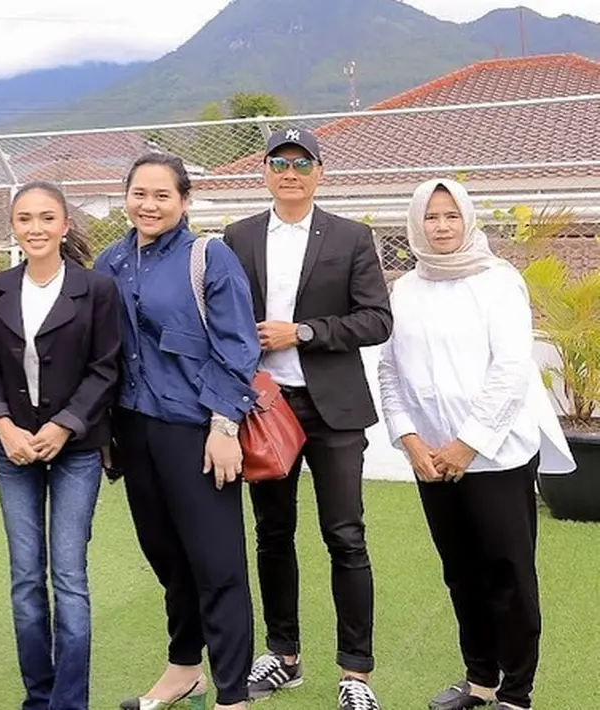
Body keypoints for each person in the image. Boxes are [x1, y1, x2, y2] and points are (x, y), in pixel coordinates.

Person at [377, 178, 575, 710]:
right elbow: (390, 371)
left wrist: (467, 444)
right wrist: (410, 440)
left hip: (497, 454)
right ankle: (480, 680)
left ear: (467, 220)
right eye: (431, 218)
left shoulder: (498, 280)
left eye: (451, 216)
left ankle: (516, 692)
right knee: (460, 572)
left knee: (507, 572)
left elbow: (511, 369)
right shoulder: (404, 290)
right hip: (430, 459)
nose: (441, 227)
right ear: (416, 224)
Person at [222, 127, 391, 710]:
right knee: (273, 535)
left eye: (301, 162)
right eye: (278, 162)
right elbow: (222, 317)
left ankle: (355, 675)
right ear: (264, 173)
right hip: (265, 407)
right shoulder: (237, 237)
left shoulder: (351, 237)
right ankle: (284, 657)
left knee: (345, 536)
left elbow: (376, 320)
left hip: (334, 411)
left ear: (319, 172)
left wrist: (305, 332)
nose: (289, 171)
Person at [95, 153, 260, 710]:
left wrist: (224, 424)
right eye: (139, 193)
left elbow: (238, 346)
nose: (149, 204)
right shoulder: (109, 262)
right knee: (167, 555)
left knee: (217, 564)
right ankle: (183, 669)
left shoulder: (208, 257)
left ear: (184, 201)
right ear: (125, 197)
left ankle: (231, 694)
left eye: (162, 195)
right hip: (133, 431)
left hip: (197, 430)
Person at [0, 181, 121, 710]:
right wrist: (2, 425)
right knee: (24, 581)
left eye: (46, 218)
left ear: (64, 225)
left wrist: (65, 425)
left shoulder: (96, 289)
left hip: (75, 450)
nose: (35, 228)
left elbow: (107, 367)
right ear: (13, 225)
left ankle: (69, 702)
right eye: (24, 219)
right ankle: (38, 698)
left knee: (68, 576)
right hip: (15, 449)